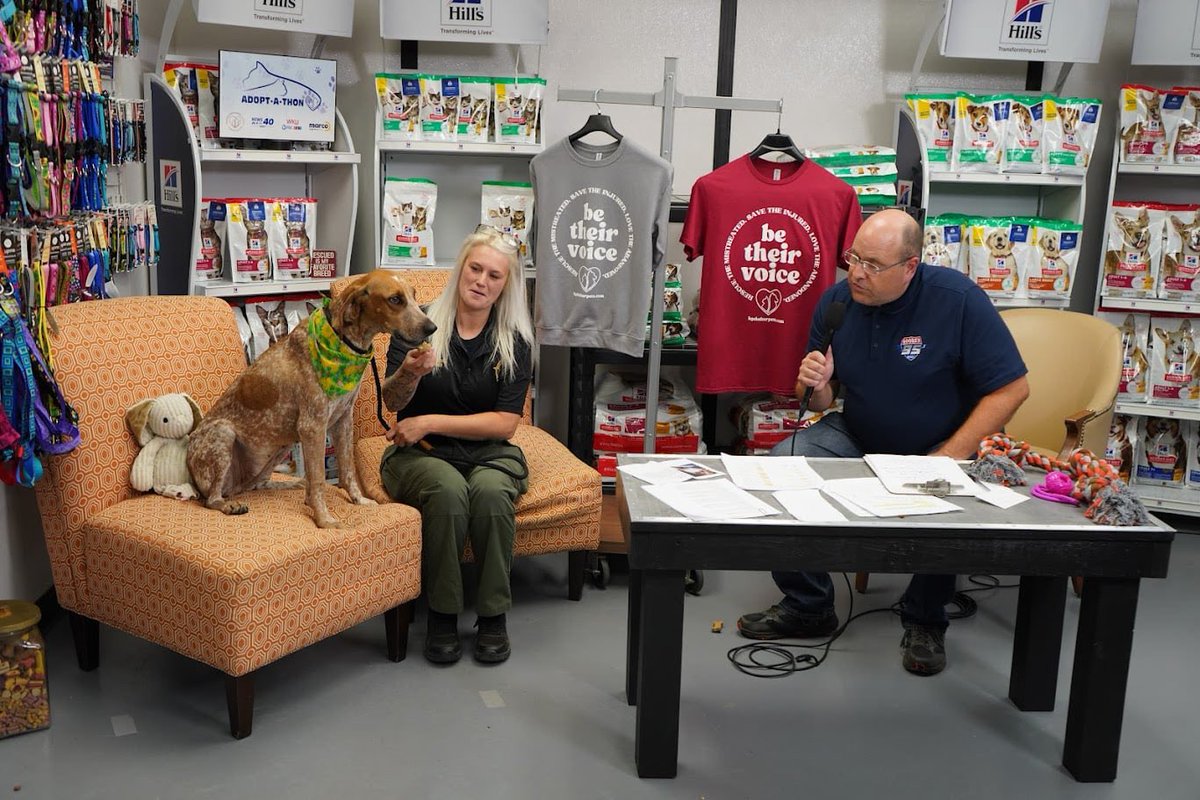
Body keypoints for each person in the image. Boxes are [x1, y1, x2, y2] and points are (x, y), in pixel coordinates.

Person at [736, 209, 1030, 676]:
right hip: (859, 432)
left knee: (945, 496)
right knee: (783, 465)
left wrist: (950, 456)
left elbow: (1012, 388)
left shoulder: (958, 301)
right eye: (853, 258)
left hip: (940, 440)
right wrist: (815, 383)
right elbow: (815, 402)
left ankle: (925, 618)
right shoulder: (838, 302)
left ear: (910, 266)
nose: (857, 273)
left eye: (873, 265)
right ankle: (809, 603)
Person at [379, 225, 534, 665]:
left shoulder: (516, 341)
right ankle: (442, 616)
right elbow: (392, 404)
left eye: (495, 276)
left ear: (506, 287)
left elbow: (505, 424)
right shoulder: (418, 325)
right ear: (460, 270)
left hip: (488, 453)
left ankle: (493, 617)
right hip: (421, 453)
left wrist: (429, 418)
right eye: (475, 268)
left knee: (489, 493)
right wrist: (409, 373)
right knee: (448, 491)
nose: (482, 281)